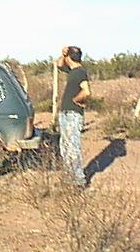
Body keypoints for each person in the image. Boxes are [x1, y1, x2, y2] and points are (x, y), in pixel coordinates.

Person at [56, 46, 91, 187]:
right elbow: (59, 64)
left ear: (70, 57)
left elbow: (87, 91)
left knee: (72, 146)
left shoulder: (80, 72)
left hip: (72, 114)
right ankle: (69, 177)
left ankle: (78, 180)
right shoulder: (73, 71)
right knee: (65, 146)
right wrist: (63, 54)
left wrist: (76, 100)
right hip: (66, 113)